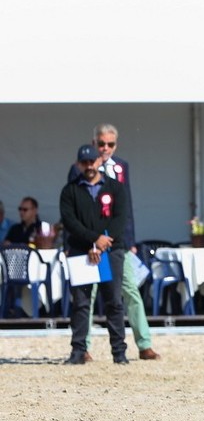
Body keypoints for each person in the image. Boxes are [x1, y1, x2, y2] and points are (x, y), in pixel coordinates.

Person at [68, 124, 161, 361]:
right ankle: (84, 347)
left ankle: (144, 343)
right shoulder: (79, 169)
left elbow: (126, 207)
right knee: (87, 295)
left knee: (130, 290)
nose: (105, 148)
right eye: (101, 144)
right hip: (90, 243)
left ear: (116, 145)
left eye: (110, 144)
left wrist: (129, 239)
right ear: (94, 143)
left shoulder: (121, 167)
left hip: (117, 241)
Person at [60, 144, 129, 365]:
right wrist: (92, 241)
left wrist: (101, 244)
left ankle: (119, 352)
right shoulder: (69, 191)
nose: (89, 166)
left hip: (110, 250)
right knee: (81, 302)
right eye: (85, 163)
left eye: (92, 161)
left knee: (114, 302)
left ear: (99, 161)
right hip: (82, 251)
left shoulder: (116, 188)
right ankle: (79, 350)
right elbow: (70, 222)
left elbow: (120, 219)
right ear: (78, 164)